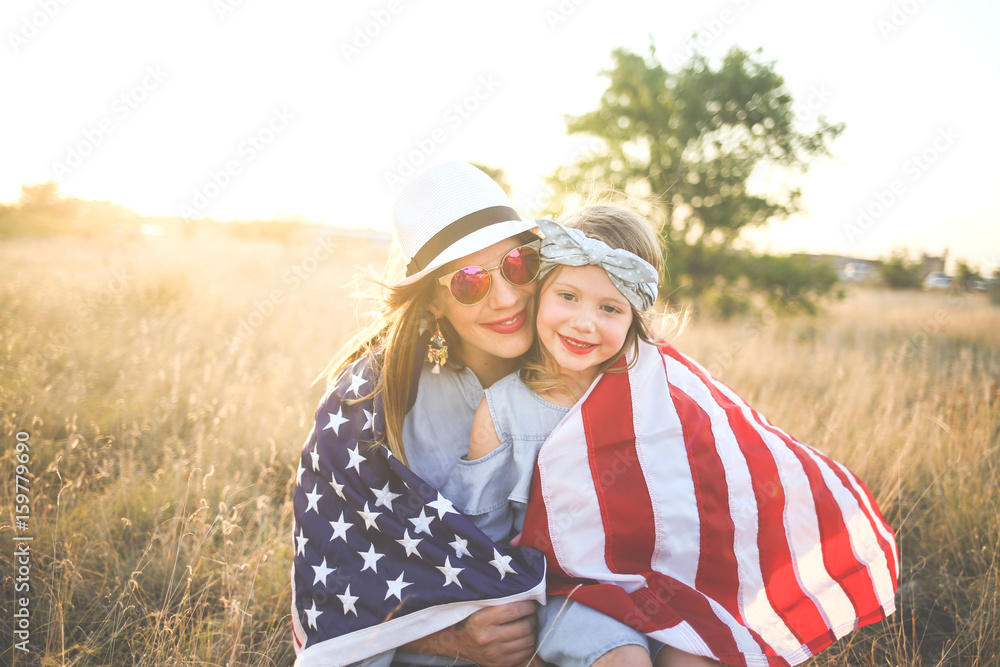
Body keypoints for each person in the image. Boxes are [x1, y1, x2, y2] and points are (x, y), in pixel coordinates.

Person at [443, 205, 899, 666]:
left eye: (609, 308)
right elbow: (480, 538)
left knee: (698, 659)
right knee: (622, 660)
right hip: (568, 591)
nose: (584, 322)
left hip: (660, 584)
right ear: (539, 293)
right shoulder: (504, 411)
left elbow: (730, 469)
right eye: (568, 296)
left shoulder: (658, 390)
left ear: (634, 317)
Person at [290, 163, 656, 667]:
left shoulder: (590, 361)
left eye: (517, 265)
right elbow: (337, 580)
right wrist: (444, 637)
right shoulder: (372, 409)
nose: (506, 298)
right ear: (436, 302)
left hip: (584, 606)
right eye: (467, 283)